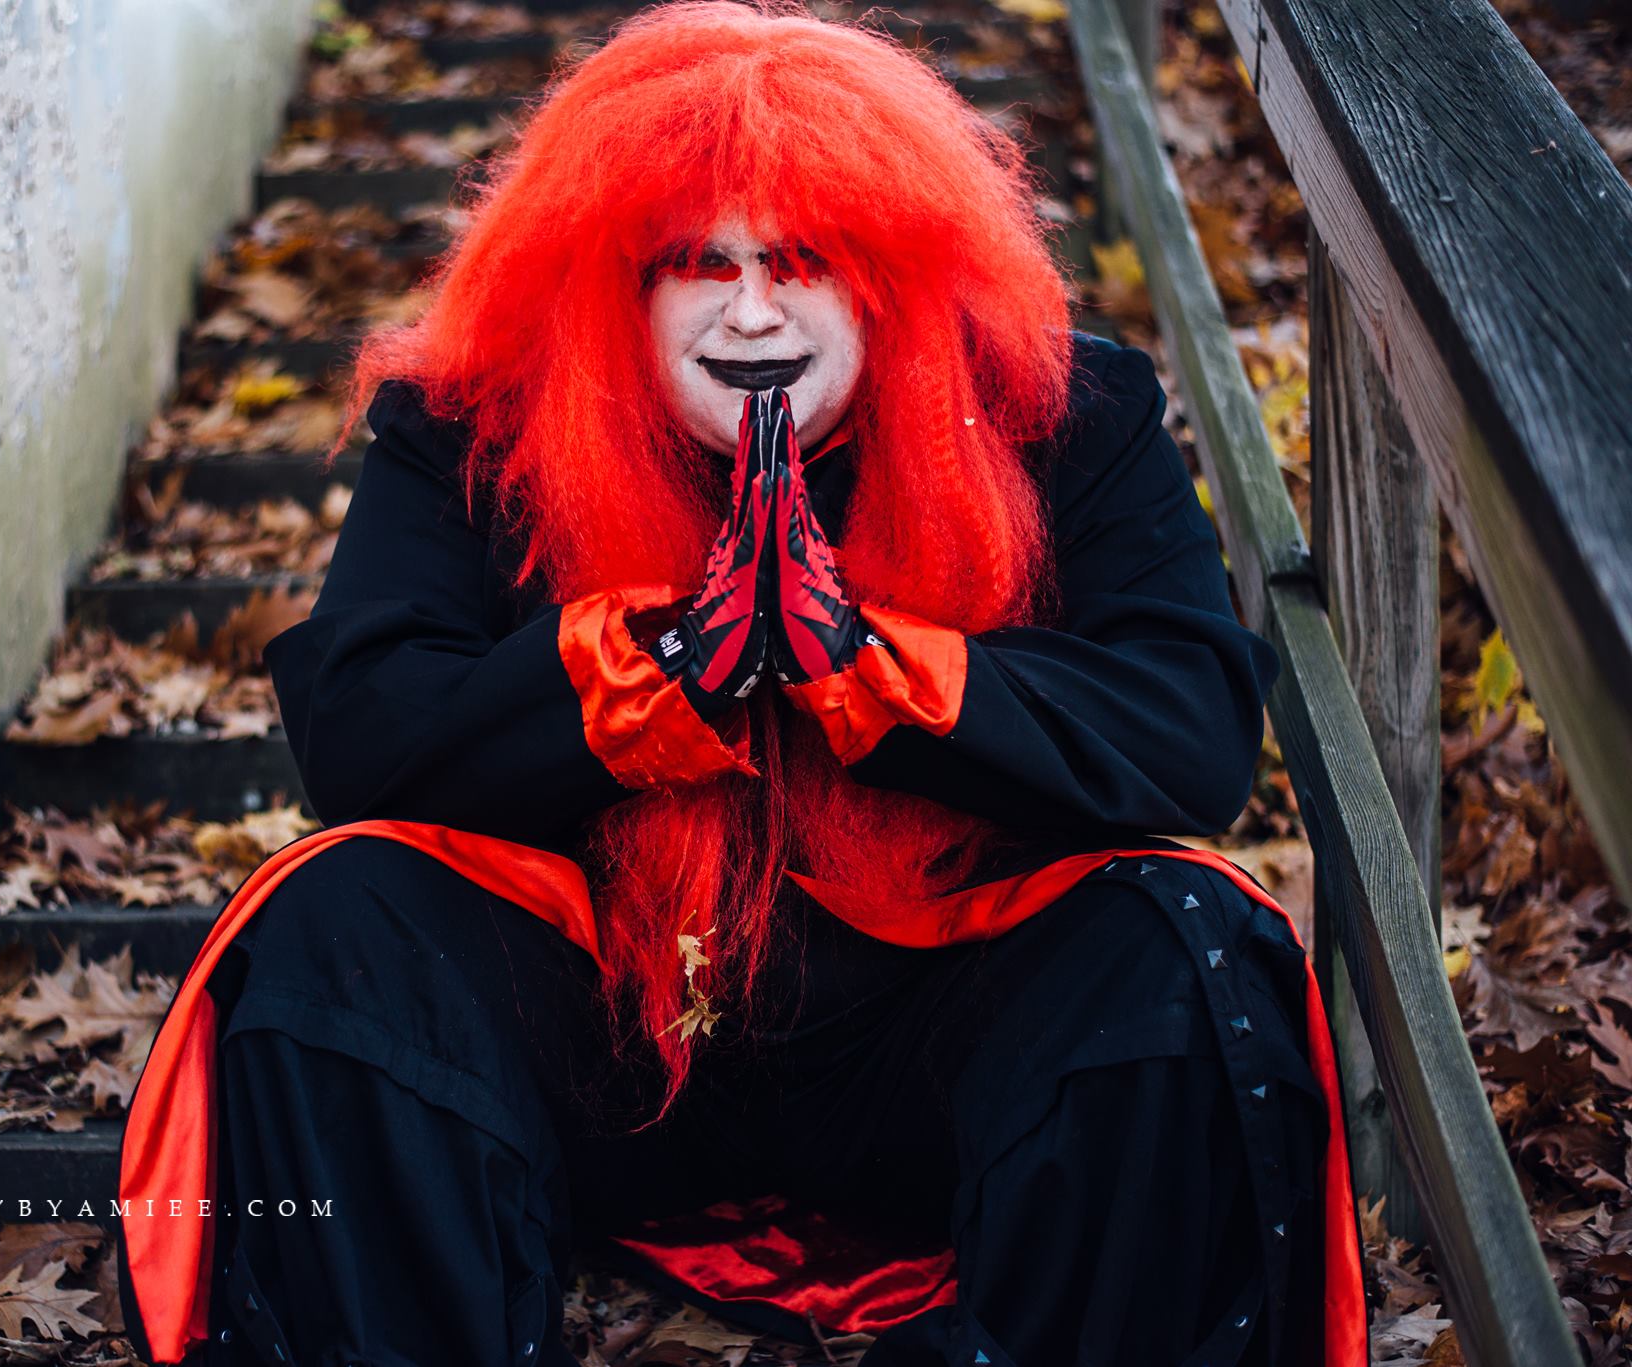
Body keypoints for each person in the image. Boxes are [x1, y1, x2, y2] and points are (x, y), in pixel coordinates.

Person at [117, 3, 1367, 1364]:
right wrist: (652, 671)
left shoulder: (1066, 408)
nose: (755, 311)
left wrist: (872, 669)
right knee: (336, 914)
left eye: (805, 260)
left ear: (893, 271)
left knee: (1185, 936)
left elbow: (1189, 728)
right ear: (616, 279)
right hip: (599, 1049)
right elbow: (362, 730)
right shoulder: (476, 424)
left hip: (932, 1044)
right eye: (699, 263)